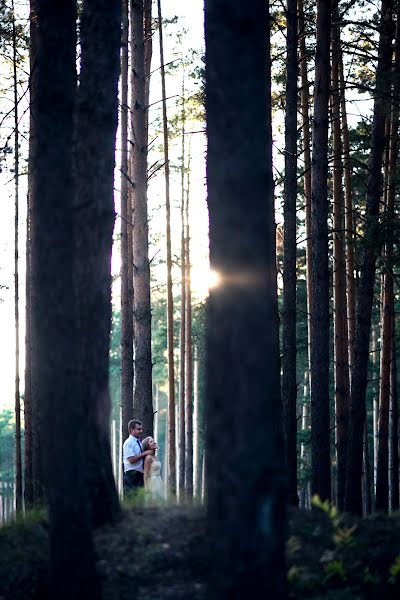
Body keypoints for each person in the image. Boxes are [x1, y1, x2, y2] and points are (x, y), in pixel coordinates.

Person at [123, 419, 153, 494]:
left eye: (141, 429)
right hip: (131, 475)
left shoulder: (138, 442)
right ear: (131, 430)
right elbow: (131, 460)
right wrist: (145, 453)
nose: (141, 431)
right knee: (131, 498)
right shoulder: (128, 443)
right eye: (138, 429)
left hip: (139, 474)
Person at [142, 436, 165, 503]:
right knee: (154, 501)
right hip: (152, 482)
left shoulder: (155, 457)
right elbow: (145, 474)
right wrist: (146, 489)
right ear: (147, 446)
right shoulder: (148, 458)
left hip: (158, 480)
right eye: (151, 442)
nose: (154, 442)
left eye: (153, 440)